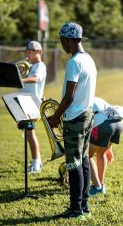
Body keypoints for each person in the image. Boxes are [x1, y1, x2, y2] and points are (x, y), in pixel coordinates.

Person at [49, 22, 97, 219]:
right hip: (87, 115)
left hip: (76, 119)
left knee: (73, 165)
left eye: (62, 40)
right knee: (84, 161)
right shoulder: (89, 59)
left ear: (68, 40)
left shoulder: (74, 62)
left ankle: (76, 209)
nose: (62, 44)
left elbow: (69, 97)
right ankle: (83, 205)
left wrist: (55, 117)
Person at [19, 41, 47, 173]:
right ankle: (36, 161)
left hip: (32, 105)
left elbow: (36, 79)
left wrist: (19, 79)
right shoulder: (30, 66)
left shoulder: (40, 66)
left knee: (31, 134)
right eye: (28, 51)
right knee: (28, 134)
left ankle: (36, 163)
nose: (28, 53)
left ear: (39, 52)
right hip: (25, 104)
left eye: (31, 51)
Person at [89, 97, 123, 196]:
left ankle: (97, 187)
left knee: (86, 156)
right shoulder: (96, 98)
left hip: (104, 125)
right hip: (118, 122)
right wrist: (109, 147)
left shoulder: (81, 98)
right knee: (101, 154)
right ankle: (101, 185)